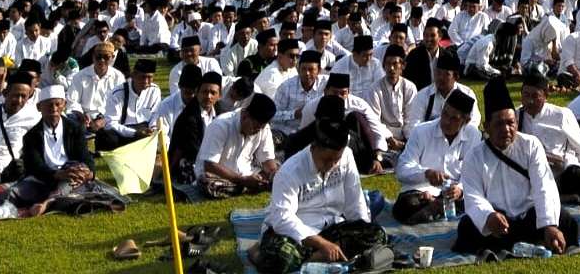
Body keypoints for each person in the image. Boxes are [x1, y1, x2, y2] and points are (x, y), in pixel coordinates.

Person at [454, 78, 577, 256]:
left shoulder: (530, 145)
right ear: (486, 127)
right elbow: (473, 196)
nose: (506, 129)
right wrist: (488, 216)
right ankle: (528, 242)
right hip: (498, 221)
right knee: (467, 227)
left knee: (564, 220)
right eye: (499, 124)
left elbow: (544, 186)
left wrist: (548, 224)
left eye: (511, 122)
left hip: (530, 216)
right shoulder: (474, 156)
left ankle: (537, 238)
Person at [256, 117, 379, 274]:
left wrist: (362, 228)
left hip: (332, 227)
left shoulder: (347, 156)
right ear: (314, 147)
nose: (332, 165)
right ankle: (317, 256)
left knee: (376, 235)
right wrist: (321, 244)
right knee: (281, 259)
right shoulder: (290, 171)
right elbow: (282, 219)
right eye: (327, 160)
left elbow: (355, 200)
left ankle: (313, 259)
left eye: (336, 160)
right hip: (297, 234)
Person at [517, 69, 580, 224]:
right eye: (526, 95)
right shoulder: (516, 117)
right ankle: (562, 198)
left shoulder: (561, 115)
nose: (529, 101)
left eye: (535, 96)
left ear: (546, 96)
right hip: (531, 177)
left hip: (562, 174)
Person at [393, 88, 480, 224]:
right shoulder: (421, 131)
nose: (446, 121)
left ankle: (436, 208)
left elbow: (475, 174)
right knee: (405, 205)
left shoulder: (473, 135)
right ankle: (435, 207)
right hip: (421, 192)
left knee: (480, 202)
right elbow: (402, 169)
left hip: (454, 195)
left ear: (466, 121)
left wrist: (460, 190)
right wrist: (426, 173)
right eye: (445, 114)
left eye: (454, 118)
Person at [12, 85, 99, 214]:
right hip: (45, 178)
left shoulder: (74, 129)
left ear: (64, 105)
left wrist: (89, 173)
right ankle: (59, 199)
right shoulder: (31, 136)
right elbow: (35, 167)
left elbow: (85, 156)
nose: (54, 109)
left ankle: (46, 203)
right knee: (16, 192)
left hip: (71, 176)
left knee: (75, 173)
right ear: (39, 107)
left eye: (57, 104)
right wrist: (57, 174)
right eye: (49, 105)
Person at [195, 92, 280, 198]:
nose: (257, 131)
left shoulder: (263, 128)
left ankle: (250, 185)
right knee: (207, 183)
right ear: (245, 116)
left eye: (260, 128)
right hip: (220, 175)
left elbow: (267, 159)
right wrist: (242, 180)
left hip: (247, 172)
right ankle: (250, 186)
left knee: (279, 168)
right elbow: (210, 165)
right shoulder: (220, 126)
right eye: (255, 127)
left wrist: (273, 173)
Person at [96, 58, 162, 151]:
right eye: (142, 77)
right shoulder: (118, 93)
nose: (146, 81)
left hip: (145, 128)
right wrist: (134, 133)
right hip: (123, 130)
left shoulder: (155, 90)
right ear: (133, 75)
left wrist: (153, 130)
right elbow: (110, 123)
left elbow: (155, 114)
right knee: (108, 138)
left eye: (149, 77)